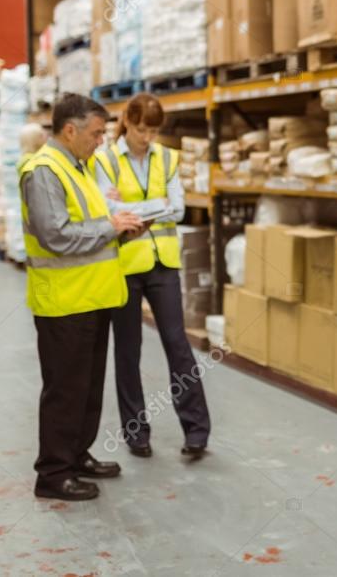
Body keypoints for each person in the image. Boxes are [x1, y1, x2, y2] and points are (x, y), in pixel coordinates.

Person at [20, 93, 146, 501]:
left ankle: (76, 454)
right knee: (65, 390)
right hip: (63, 302)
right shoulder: (44, 171)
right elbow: (54, 235)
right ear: (69, 130)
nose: (100, 142)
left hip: (91, 297)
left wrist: (121, 228)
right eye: (95, 134)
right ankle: (53, 474)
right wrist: (110, 227)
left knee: (88, 387)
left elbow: (91, 226)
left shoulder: (80, 166)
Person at [92, 93, 211, 460]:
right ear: (127, 122)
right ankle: (136, 433)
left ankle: (196, 431)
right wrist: (154, 206)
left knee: (178, 345)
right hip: (125, 265)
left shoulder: (167, 158)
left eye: (154, 131)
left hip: (164, 264)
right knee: (128, 351)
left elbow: (178, 210)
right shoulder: (106, 159)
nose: (147, 137)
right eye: (142, 129)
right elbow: (107, 209)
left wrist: (133, 209)